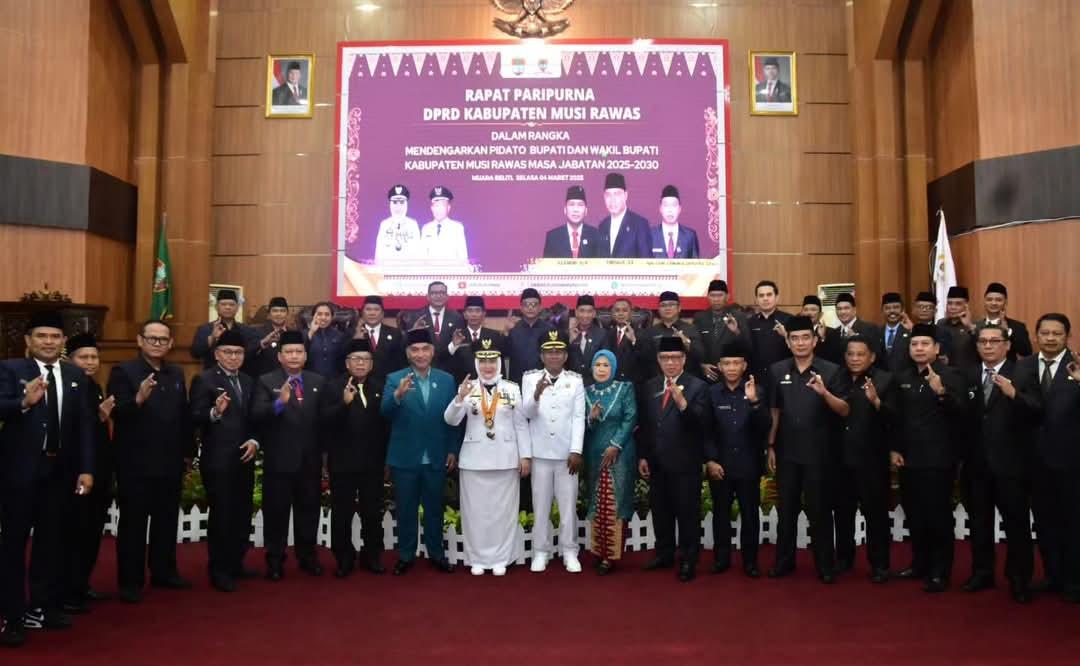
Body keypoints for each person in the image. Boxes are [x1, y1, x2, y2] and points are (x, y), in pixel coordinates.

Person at [0, 312, 94, 647]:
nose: (49, 342)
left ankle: (42, 607)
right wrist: (23, 403)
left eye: (55, 336)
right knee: (13, 545)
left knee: (51, 543)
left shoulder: (75, 375)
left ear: (64, 342)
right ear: (28, 340)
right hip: (19, 473)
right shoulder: (10, 369)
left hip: (60, 473)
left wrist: (86, 468)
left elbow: (85, 425)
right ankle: (12, 615)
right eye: (42, 336)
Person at [108, 320, 193, 603]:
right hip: (136, 461)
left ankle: (164, 572)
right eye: (152, 338)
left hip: (170, 459)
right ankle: (130, 582)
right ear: (140, 341)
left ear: (171, 343)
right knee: (133, 524)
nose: (157, 343)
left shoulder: (176, 372)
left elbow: (183, 414)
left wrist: (188, 452)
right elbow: (117, 412)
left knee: (166, 520)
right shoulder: (123, 371)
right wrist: (138, 399)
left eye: (163, 339)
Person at [960, 323, 1040, 603]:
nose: (988, 346)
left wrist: (1014, 394)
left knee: (1016, 524)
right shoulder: (968, 374)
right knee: (979, 523)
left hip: (1012, 465)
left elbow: (1037, 410)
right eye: (983, 341)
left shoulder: (1023, 373)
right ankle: (982, 573)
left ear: (1007, 345)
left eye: (994, 341)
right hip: (976, 464)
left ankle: (1019, 579)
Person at [766, 315, 848, 583]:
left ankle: (825, 565)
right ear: (788, 343)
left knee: (820, 510)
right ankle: (784, 562)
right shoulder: (777, 370)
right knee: (786, 510)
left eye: (805, 338)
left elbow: (845, 410)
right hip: (787, 452)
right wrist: (770, 445)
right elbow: (774, 411)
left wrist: (824, 393)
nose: (800, 343)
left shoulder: (832, 370)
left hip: (819, 453)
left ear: (815, 341)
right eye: (795, 338)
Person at [891, 324, 969, 593]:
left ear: (936, 348)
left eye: (925, 344)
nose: (919, 349)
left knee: (938, 515)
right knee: (915, 513)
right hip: (908, 458)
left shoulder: (951, 375)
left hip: (939, 458)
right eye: (915, 344)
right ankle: (919, 564)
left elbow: (962, 413)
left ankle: (940, 571)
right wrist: (895, 448)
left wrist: (941, 393)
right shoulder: (902, 376)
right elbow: (897, 418)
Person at [445, 340, 531, 575]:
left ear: (499, 363)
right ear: (476, 363)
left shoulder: (512, 388)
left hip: (506, 459)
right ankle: (477, 559)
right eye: (482, 361)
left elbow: (521, 425)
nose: (488, 366)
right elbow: (451, 420)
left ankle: (502, 558)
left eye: (492, 361)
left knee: (504, 513)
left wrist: (525, 456)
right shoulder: (467, 387)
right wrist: (459, 399)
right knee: (475, 513)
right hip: (474, 460)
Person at [380, 328, 458, 575]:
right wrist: (397, 395)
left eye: (425, 349)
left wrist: (452, 449)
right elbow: (385, 412)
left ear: (432, 352)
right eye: (415, 350)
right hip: (405, 457)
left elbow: (454, 418)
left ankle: (437, 554)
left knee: (434, 509)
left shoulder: (446, 380)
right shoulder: (395, 378)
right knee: (406, 509)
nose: (420, 354)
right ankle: (406, 555)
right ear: (408, 354)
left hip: (436, 455)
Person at [252, 330, 327, 581]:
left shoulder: (318, 381)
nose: (294, 356)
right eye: (289, 352)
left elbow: (323, 420)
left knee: (309, 511)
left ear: (305, 355)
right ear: (279, 356)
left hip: (310, 460)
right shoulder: (266, 380)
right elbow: (256, 414)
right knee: (276, 513)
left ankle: (308, 557)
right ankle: (275, 560)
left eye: (298, 352)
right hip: (279, 461)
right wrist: (279, 403)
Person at [638, 336, 712, 582]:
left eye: (675, 358)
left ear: (684, 359)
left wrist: (682, 404)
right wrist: (643, 455)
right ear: (659, 360)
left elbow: (702, 424)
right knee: (661, 511)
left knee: (687, 513)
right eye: (665, 358)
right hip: (657, 461)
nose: (670, 363)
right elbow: (646, 424)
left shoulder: (698, 387)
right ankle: (664, 553)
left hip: (685, 462)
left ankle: (689, 559)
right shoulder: (650, 386)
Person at [189, 329, 259, 593]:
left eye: (238, 352)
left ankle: (236, 563)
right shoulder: (204, 379)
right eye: (228, 352)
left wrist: (254, 440)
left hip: (245, 456)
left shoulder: (249, 381)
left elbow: (255, 417)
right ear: (217, 354)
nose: (233, 357)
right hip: (218, 459)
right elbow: (194, 415)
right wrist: (214, 412)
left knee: (242, 513)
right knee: (222, 515)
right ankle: (219, 570)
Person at [1022, 313, 1080, 602]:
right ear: (1036, 336)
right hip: (1034, 460)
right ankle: (1053, 575)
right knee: (1044, 522)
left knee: (1073, 522)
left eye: (1057, 334)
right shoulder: (1024, 366)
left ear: (1067, 337)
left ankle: (1074, 580)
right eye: (1045, 333)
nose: (1050, 338)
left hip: (1071, 460)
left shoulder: (1077, 366)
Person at [322, 338, 390, 577]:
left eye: (365, 359)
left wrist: (386, 459)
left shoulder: (381, 386)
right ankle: (343, 558)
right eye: (355, 359)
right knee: (342, 512)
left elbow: (387, 425)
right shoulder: (332, 387)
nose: (360, 363)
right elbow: (324, 420)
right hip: (342, 462)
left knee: (372, 511)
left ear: (371, 364)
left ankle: (372, 556)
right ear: (346, 363)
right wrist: (343, 403)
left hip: (373, 462)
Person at [521, 330, 586, 574]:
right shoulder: (530, 379)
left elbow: (578, 417)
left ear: (566, 355)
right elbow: (526, 414)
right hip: (540, 453)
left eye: (559, 351)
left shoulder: (575, 380)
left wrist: (576, 450)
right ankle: (541, 551)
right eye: (549, 352)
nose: (554, 356)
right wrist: (536, 394)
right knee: (540, 505)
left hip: (566, 453)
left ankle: (569, 550)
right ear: (542, 356)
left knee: (568, 505)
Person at [831, 335, 895, 582]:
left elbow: (895, 419)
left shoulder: (885, 380)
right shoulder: (837, 378)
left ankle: (879, 565)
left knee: (875, 515)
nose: (855, 359)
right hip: (840, 458)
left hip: (872, 460)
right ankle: (844, 559)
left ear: (872, 357)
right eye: (850, 354)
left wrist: (876, 401)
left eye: (860, 354)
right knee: (842, 513)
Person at [705, 340, 769, 578]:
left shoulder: (756, 391)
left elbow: (765, 427)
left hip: (748, 464)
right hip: (720, 465)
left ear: (744, 366)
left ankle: (750, 562)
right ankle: (721, 559)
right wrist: (711, 460)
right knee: (720, 515)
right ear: (720, 366)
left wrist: (754, 402)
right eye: (727, 363)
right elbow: (706, 431)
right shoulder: (711, 393)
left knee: (750, 515)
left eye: (736, 363)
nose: (731, 368)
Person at [62, 333, 115, 614]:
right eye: (84, 357)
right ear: (70, 360)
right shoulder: (67, 386)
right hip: (78, 472)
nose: (91, 362)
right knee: (75, 531)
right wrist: (99, 417)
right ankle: (67, 591)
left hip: (99, 469)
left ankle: (81, 584)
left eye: (94, 357)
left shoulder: (93, 385)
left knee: (92, 531)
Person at [583, 350, 638, 575]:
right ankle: (599, 551)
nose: (601, 369)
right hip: (595, 452)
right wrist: (591, 418)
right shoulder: (586, 392)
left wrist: (615, 444)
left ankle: (610, 556)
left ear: (613, 368)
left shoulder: (625, 388)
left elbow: (631, 417)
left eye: (606, 365)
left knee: (615, 501)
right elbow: (584, 426)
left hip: (620, 453)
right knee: (598, 500)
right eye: (598, 365)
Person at [693, 279, 752, 384]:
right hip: (707, 376)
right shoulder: (699, 318)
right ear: (708, 296)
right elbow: (695, 346)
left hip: (732, 376)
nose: (716, 299)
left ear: (727, 296)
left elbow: (748, 346)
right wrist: (701, 365)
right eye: (713, 295)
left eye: (720, 295)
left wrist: (736, 331)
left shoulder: (739, 316)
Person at [641, 291, 704, 380]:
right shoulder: (651, 331)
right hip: (659, 380)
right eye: (663, 305)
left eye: (671, 304)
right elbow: (645, 359)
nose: (667, 308)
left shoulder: (691, 329)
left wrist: (686, 343)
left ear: (679, 308)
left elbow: (700, 356)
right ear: (659, 309)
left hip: (687, 380)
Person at [447, 295, 506, 383]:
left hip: (489, 385)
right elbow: (446, 359)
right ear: (465, 314)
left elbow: (500, 363)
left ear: (484, 314)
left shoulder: (494, 335)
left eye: (478, 311)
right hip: (463, 384)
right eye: (470, 311)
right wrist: (454, 345)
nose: (474, 314)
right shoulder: (457, 335)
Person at [407, 281, 465, 369]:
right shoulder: (415, 317)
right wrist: (414, 331)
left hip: (449, 368)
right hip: (422, 368)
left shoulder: (457, 318)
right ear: (428, 296)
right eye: (434, 293)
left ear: (447, 296)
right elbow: (406, 345)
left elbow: (460, 347)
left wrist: (453, 345)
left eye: (442, 293)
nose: (438, 296)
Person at [191, 289, 252, 370]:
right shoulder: (205, 329)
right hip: (212, 374)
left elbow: (250, 354)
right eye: (223, 304)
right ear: (216, 307)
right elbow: (196, 353)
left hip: (240, 374)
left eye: (231, 305)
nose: (228, 307)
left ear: (237, 308)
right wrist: (212, 337)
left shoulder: (246, 330)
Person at [596, 172, 651, 258]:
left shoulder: (639, 224)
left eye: (617, 194)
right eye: (608, 195)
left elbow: (646, 261)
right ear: (604, 197)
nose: (612, 200)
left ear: (625, 195)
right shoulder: (603, 225)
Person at [353, 294, 406, 382]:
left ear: (382, 314)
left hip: (389, 383)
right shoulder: (353, 333)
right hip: (362, 382)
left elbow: (401, 361)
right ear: (362, 313)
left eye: (376, 309)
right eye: (368, 309)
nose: (372, 313)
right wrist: (356, 340)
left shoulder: (395, 333)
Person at [747, 280, 792, 384]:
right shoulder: (749, 322)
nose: (765, 298)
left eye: (769, 295)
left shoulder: (789, 320)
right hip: (757, 378)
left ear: (777, 297)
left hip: (783, 376)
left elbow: (798, 348)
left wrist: (786, 335)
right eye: (761, 295)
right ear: (756, 300)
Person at [506, 288, 553, 385]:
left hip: (542, 382)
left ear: (540, 307)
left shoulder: (549, 330)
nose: (530, 308)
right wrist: (506, 333)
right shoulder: (513, 329)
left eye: (534, 304)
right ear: (521, 308)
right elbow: (505, 354)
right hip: (517, 382)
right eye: (526, 305)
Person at [543, 185, 601, 258]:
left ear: (586, 211)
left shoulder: (596, 235)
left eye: (580, 205)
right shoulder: (553, 237)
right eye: (571, 204)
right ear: (565, 210)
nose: (575, 209)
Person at [979, 282, 1032, 359]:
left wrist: (1007, 332)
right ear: (984, 302)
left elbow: (1026, 352)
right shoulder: (976, 326)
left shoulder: (1018, 326)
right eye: (989, 300)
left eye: (998, 300)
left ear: (1005, 302)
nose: (993, 303)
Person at [567, 295, 610, 384]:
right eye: (582, 311)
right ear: (576, 312)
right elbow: (562, 359)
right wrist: (570, 341)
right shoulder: (567, 333)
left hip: (594, 383)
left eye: (589, 311)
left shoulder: (602, 334)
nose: (585, 315)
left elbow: (605, 361)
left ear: (594, 313)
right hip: (571, 383)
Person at [419, 186, 469, 263]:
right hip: (430, 270)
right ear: (432, 208)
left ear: (448, 208)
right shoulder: (426, 229)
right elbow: (422, 258)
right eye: (436, 206)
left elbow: (463, 258)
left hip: (450, 270)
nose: (438, 210)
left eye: (442, 206)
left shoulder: (457, 228)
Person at [649, 185, 700, 259]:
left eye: (674, 205)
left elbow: (696, 264)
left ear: (679, 209)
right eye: (666, 205)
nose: (670, 210)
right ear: (660, 209)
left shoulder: (690, 236)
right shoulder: (649, 235)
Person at [246, 296, 292, 379]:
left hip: (288, 379)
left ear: (287, 314)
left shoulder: (293, 333)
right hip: (264, 380)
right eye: (275, 311)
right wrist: (262, 343)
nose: (279, 314)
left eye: (282, 311)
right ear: (269, 314)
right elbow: (247, 353)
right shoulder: (256, 331)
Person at [374, 184, 421, 263]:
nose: (398, 207)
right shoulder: (384, 225)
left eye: (402, 202)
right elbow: (378, 255)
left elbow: (418, 256)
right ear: (390, 205)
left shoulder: (412, 225)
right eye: (395, 202)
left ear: (406, 205)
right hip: (387, 269)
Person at [605, 298, 647, 384]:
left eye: (624, 310)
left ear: (631, 313)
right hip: (611, 382)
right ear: (612, 314)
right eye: (617, 310)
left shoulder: (642, 333)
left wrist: (634, 341)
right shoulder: (607, 334)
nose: (620, 313)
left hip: (632, 383)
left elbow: (646, 359)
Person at [937, 286, 979, 369]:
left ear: (966, 306)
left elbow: (980, 348)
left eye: (958, 304)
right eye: (950, 303)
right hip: (944, 372)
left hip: (967, 372)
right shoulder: (940, 323)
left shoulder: (975, 325)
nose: (953, 307)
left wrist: (969, 326)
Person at [303, 301, 346, 380]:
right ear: (313, 316)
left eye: (327, 314)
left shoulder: (339, 335)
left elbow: (342, 361)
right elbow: (301, 354)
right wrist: (311, 332)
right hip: (311, 379)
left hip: (333, 380)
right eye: (319, 314)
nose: (323, 317)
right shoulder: (304, 334)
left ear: (332, 317)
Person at [801, 294, 844, 364]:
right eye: (806, 310)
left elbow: (833, 357)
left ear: (821, 314)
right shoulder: (796, 332)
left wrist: (823, 338)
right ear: (802, 313)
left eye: (813, 309)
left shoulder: (832, 332)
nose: (809, 313)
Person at [877, 292, 913, 371]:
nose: (892, 311)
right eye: (887, 308)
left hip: (905, 377)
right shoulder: (876, 332)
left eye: (896, 307)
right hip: (882, 377)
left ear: (902, 310)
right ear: (882, 310)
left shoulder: (910, 331)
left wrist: (912, 330)